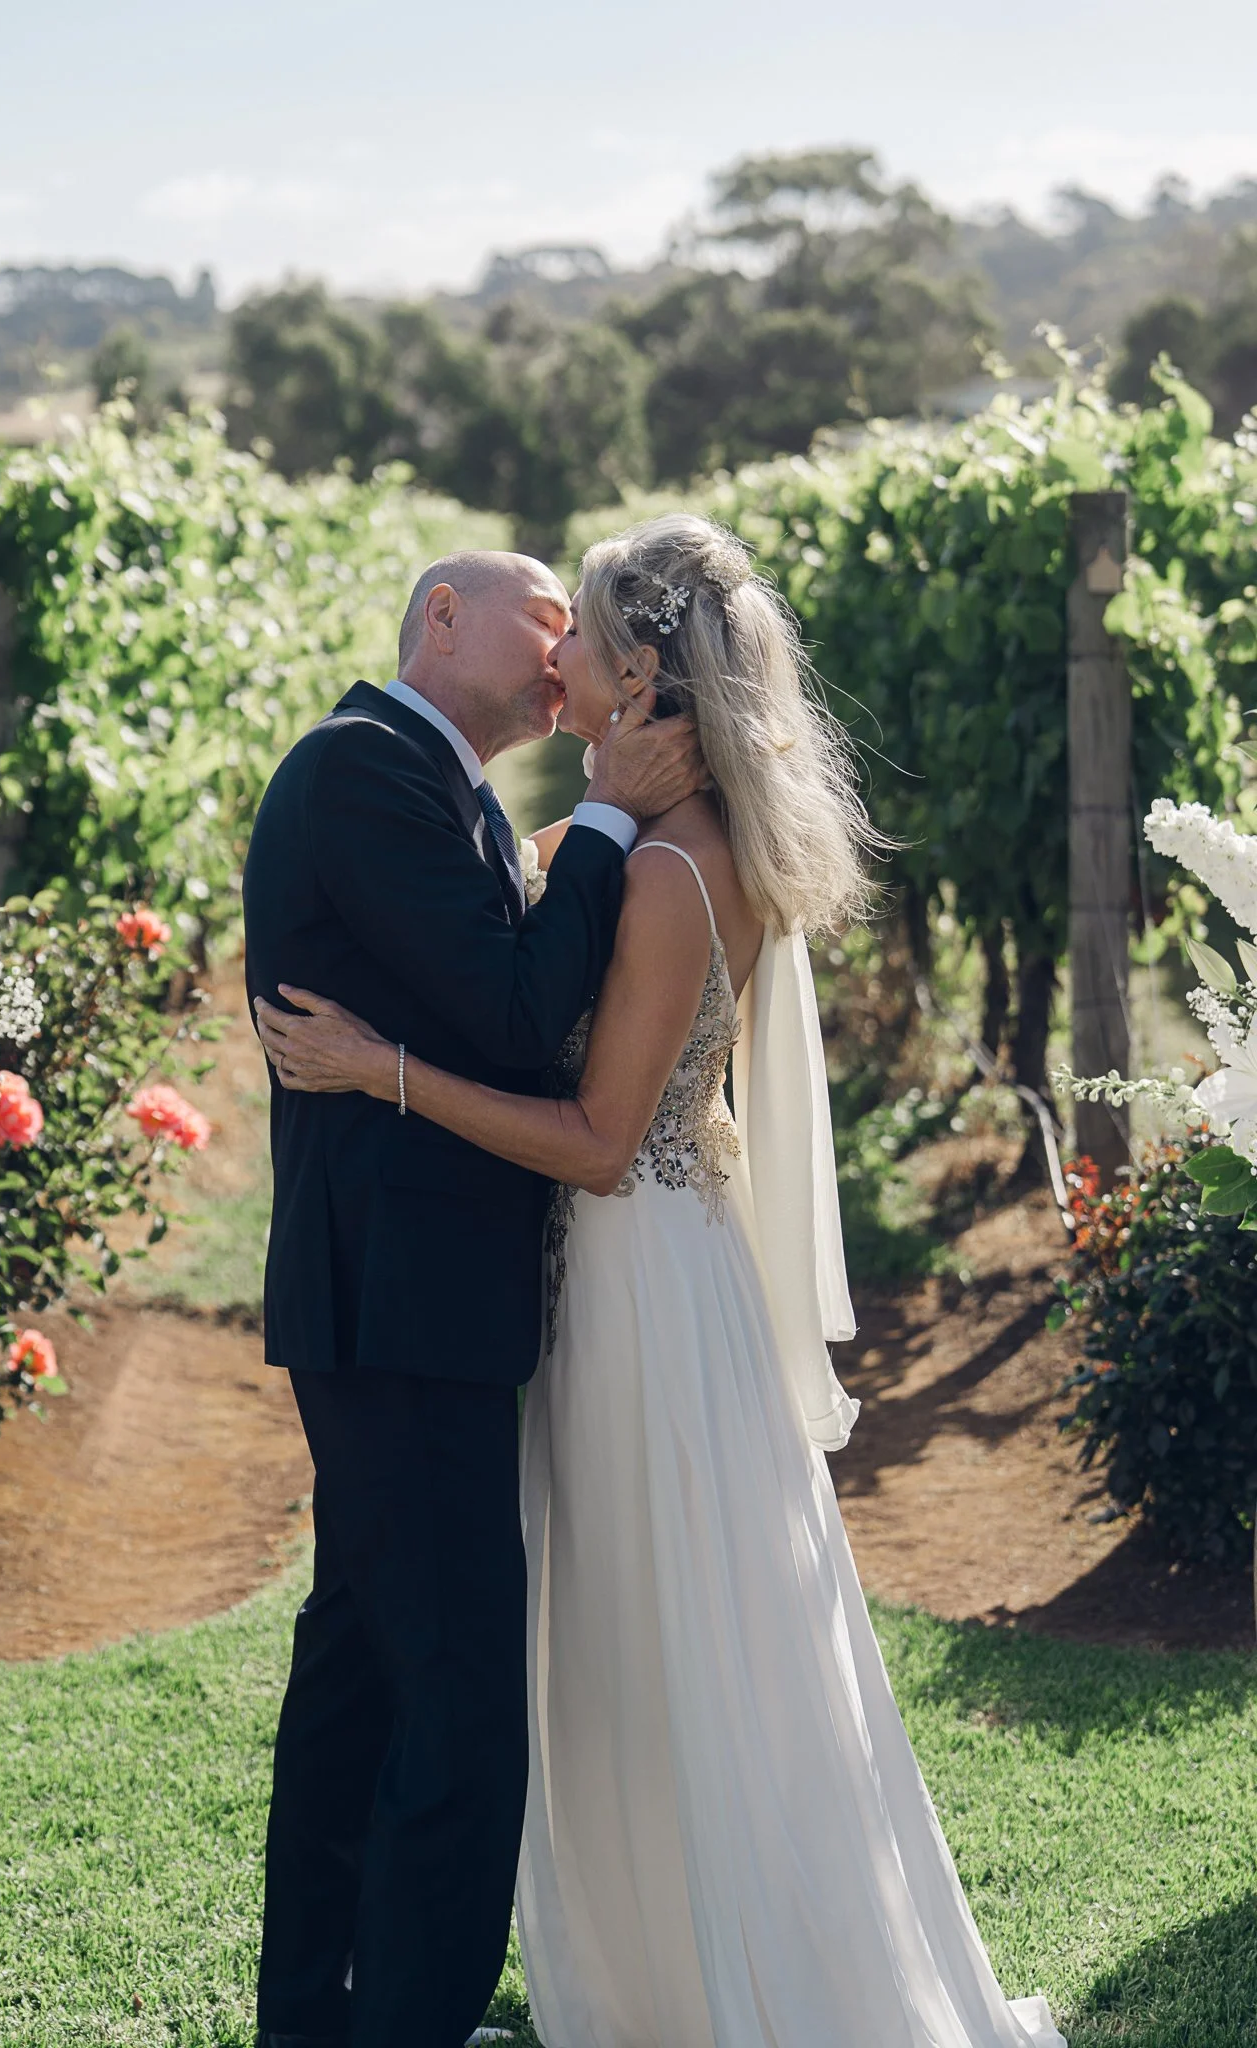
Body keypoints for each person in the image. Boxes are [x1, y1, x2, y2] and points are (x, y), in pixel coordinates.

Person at [256, 514, 1068, 2048]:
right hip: (614, 1289)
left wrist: (382, 1069)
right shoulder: (634, 846)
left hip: (629, 1281)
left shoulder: (660, 872)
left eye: (588, 639)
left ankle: (698, 1987)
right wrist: (590, 838)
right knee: (623, 1657)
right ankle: (610, 1982)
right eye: (542, 627)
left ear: (647, 685)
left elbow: (601, 1137)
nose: (560, 659)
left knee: (646, 1659)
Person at [241, 547, 704, 2048]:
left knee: (368, 1671)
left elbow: (498, 974)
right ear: (446, 616)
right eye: (547, 618)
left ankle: (324, 2015)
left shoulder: (440, 785)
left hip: (412, 1303)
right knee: (454, 1709)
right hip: (399, 1311)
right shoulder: (366, 769)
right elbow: (514, 1012)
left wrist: (584, 829)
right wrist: (620, 814)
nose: (570, 650)